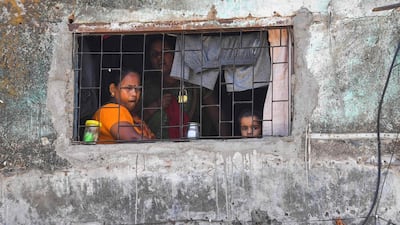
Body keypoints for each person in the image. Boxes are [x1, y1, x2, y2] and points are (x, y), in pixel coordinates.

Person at [143, 35, 225, 139]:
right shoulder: (147, 88)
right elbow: (135, 120)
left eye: (165, 52)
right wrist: (156, 105)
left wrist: (226, 143)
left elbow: (217, 117)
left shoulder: (196, 83)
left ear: (175, 54)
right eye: (154, 54)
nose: (159, 57)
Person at [93, 69, 155, 142]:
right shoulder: (111, 110)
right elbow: (133, 139)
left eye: (137, 89)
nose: (134, 94)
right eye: (128, 88)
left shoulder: (132, 116)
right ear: (113, 89)